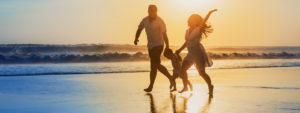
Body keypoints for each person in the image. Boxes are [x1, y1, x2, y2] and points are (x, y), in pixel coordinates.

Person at [176, 9, 217, 95]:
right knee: (183, 69)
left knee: (201, 73)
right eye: (189, 19)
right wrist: (179, 50)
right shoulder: (187, 31)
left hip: (198, 54)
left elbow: (204, 20)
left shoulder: (199, 29)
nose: (189, 21)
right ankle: (185, 87)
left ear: (195, 22)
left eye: (191, 20)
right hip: (190, 54)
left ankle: (210, 86)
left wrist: (209, 13)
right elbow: (186, 42)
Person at [134, 4, 174, 92]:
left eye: (153, 11)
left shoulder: (160, 21)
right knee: (156, 65)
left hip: (159, 44)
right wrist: (136, 38)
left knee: (153, 65)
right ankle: (171, 78)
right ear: (148, 11)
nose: (151, 12)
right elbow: (139, 29)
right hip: (150, 45)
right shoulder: (145, 20)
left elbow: (164, 34)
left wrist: (167, 45)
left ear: (156, 11)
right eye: (149, 11)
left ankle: (151, 86)